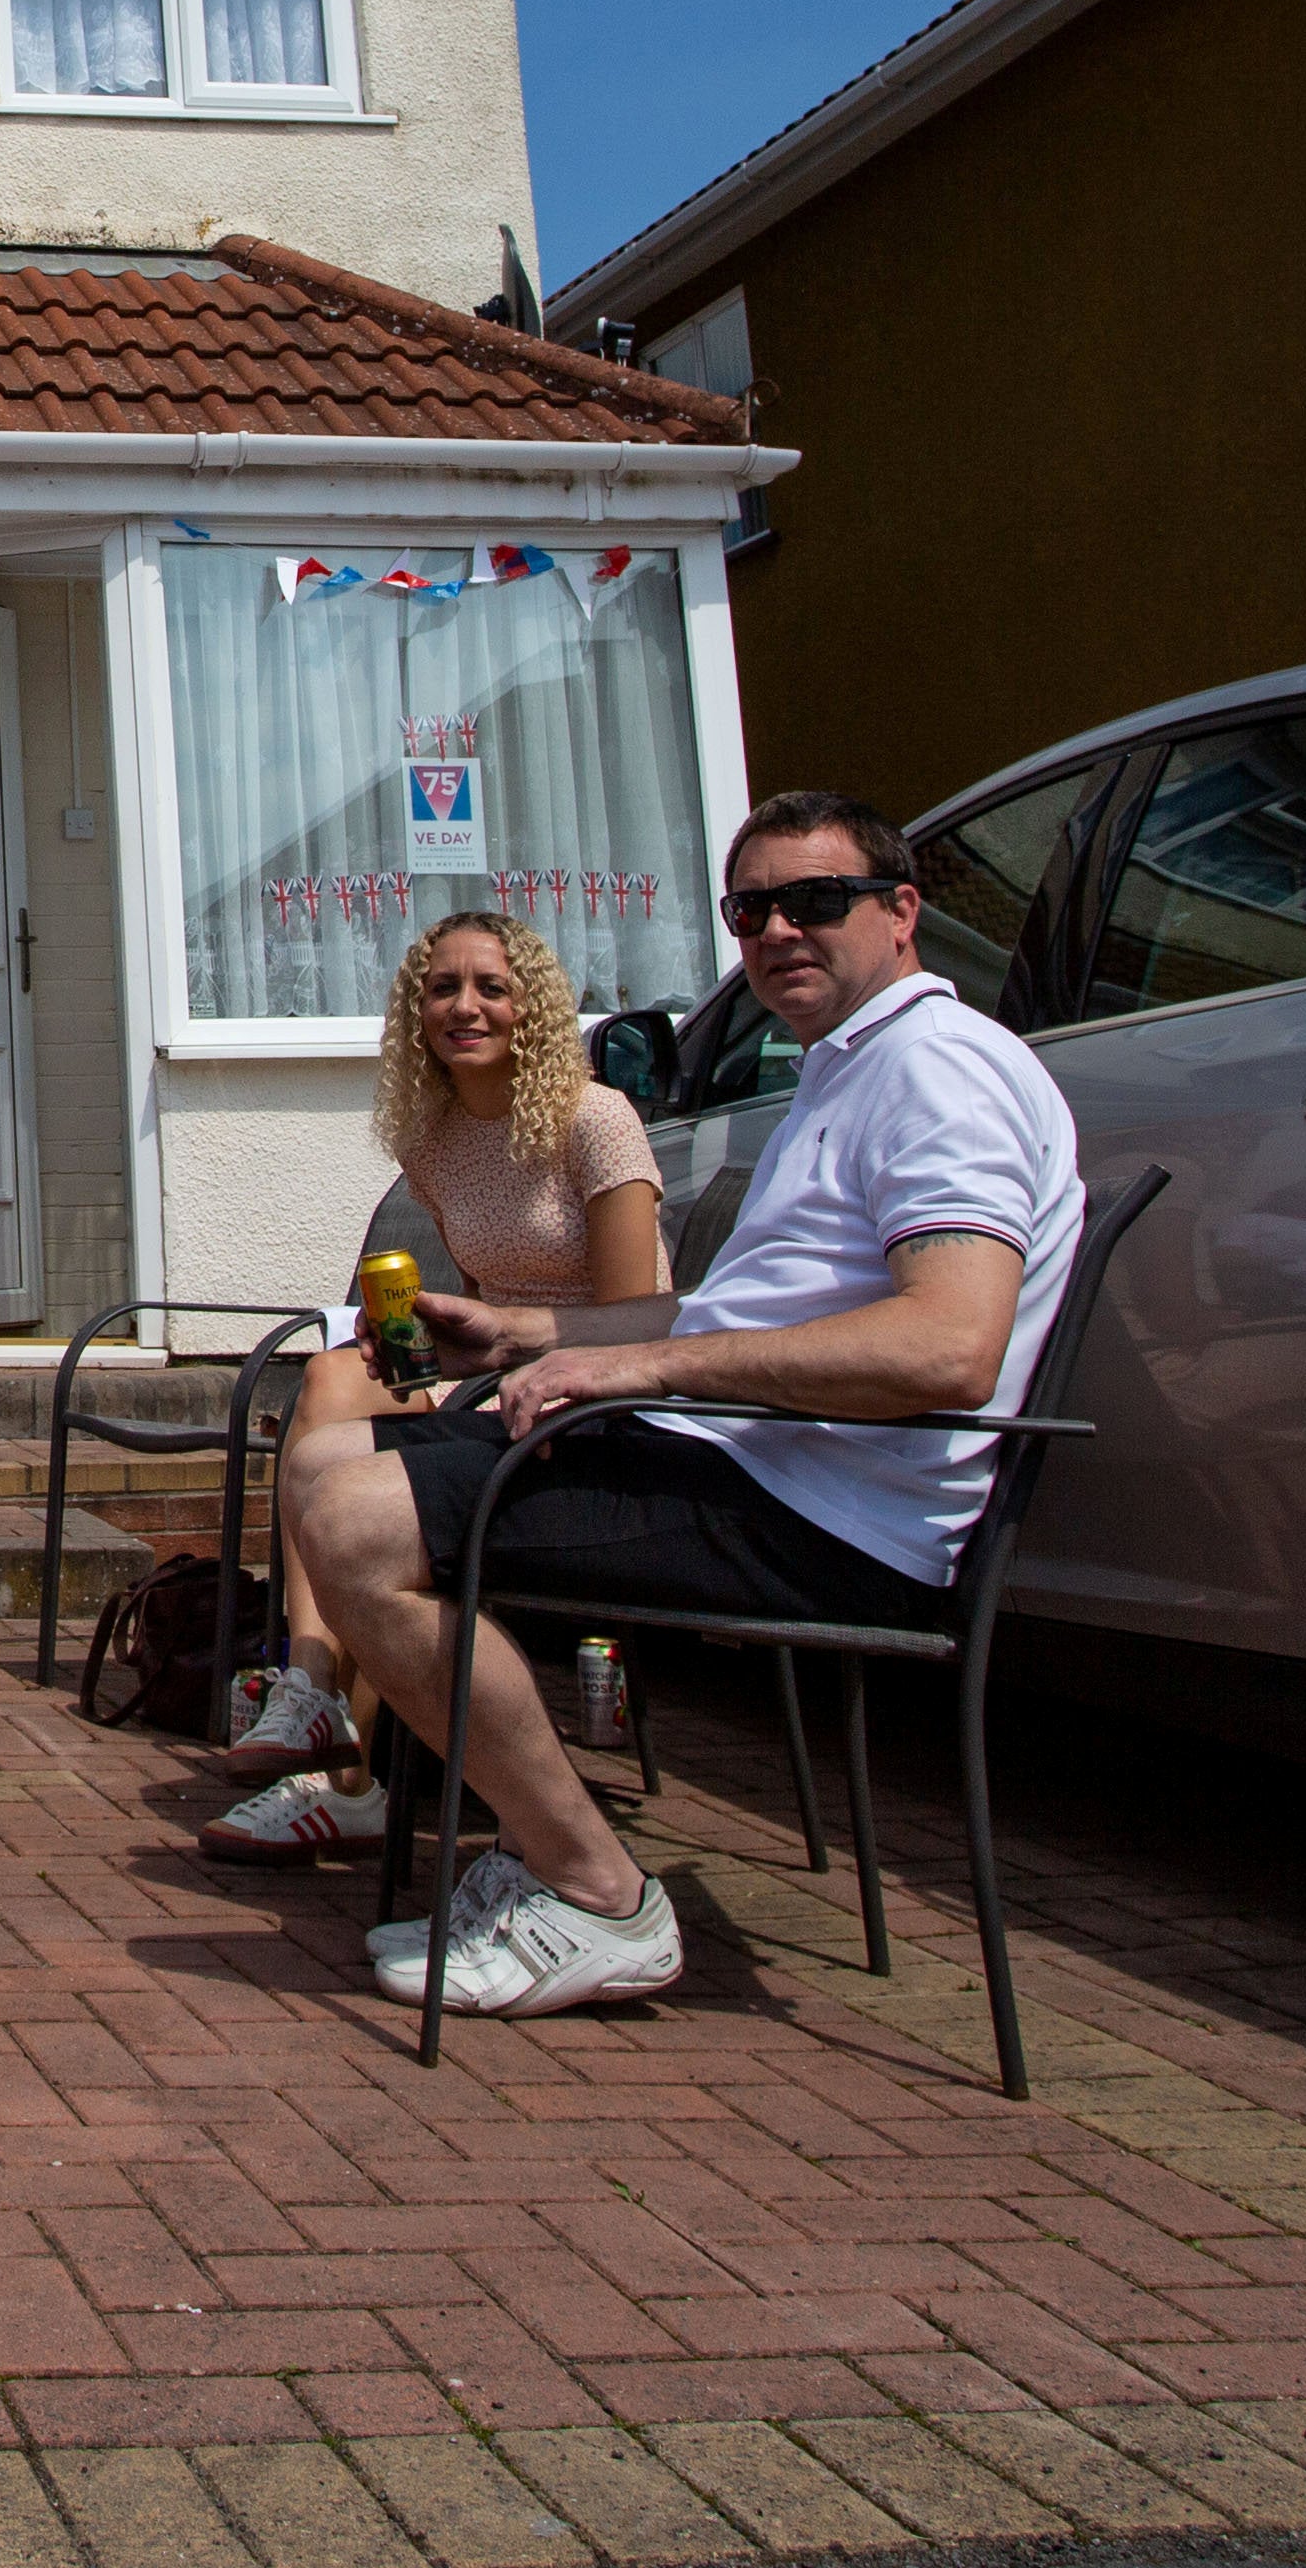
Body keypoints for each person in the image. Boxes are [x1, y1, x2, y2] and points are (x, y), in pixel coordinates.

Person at [260, 789, 1083, 2017]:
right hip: (755, 1460)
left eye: (818, 902)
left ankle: (593, 1891)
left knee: (360, 1523)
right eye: (752, 909)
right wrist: (537, 1332)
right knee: (329, 1456)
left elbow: (948, 1348)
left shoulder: (938, 1071)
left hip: (825, 1509)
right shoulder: (846, 1069)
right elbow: (714, 1317)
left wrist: (635, 1369)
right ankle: (507, 1840)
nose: (779, 933)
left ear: (903, 912)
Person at [201, 910, 671, 1865]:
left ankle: (346, 1784)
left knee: (369, 1498)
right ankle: (310, 1690)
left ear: (530, 1008)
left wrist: (499, 1351)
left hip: (600, 1388)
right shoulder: (436, 1139)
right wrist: (413, 1342)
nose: (466, 1007)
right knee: (334, 1374)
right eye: (443, 989)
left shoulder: (594, 1119)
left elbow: (643, 1317)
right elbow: (488, 1295)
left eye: (490, 988)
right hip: (494, 1375)